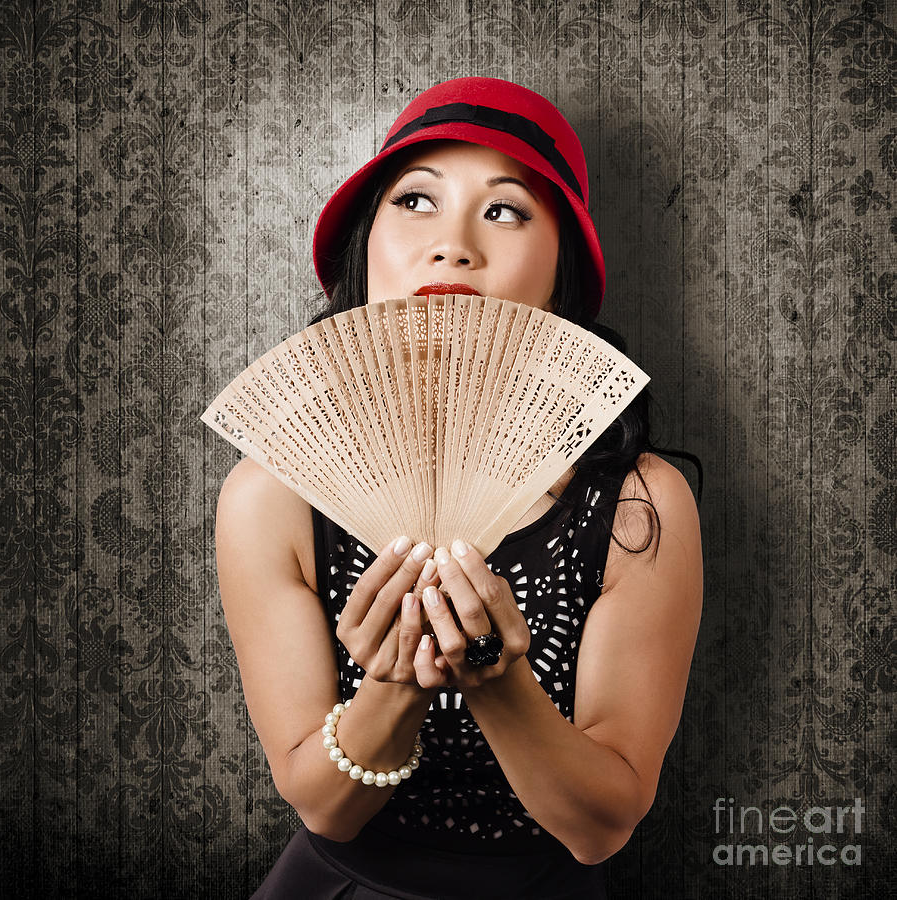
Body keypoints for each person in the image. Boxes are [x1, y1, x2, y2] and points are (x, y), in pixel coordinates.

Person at [214, 77, 704, 899]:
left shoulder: (638, 508)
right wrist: (396, 683)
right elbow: (324, 809)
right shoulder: (272, 497)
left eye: (505, 210)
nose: (454, 246)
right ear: (366, 250)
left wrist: (495, 678)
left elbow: (600, 829)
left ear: (562, 274)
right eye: (415, 201)